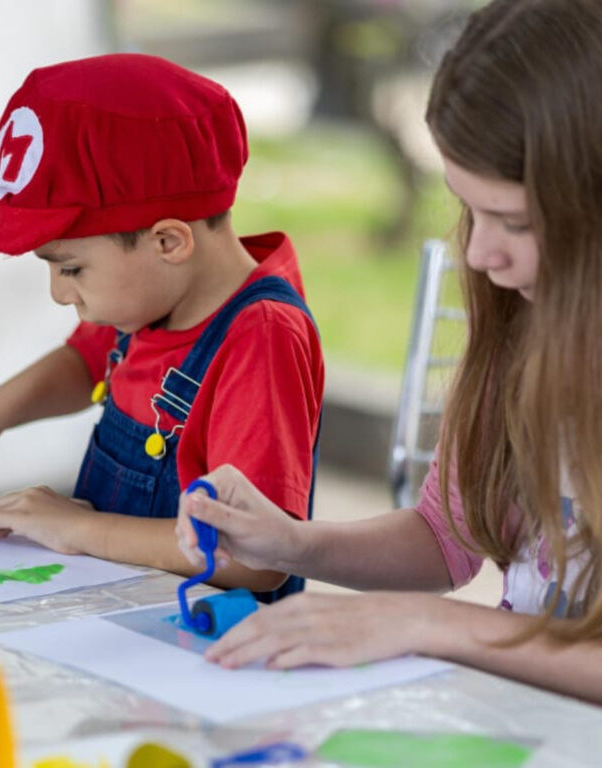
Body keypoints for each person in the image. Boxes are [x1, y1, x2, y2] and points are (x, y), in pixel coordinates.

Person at [176, 0, 602, 701]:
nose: (477, 251)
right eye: (467, 208)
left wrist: (423, 624)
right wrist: (291, 543)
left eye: (515, 221)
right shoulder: (527, 320)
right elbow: (447, 539)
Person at [0, 54, 324, 601]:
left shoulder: (260, 338)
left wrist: (77, 530)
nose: (58, 293)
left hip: (204, 649)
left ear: (168, 242)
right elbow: (84, 362)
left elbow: (257, 557)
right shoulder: (155, 298)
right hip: (124, 611)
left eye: (71, 268)